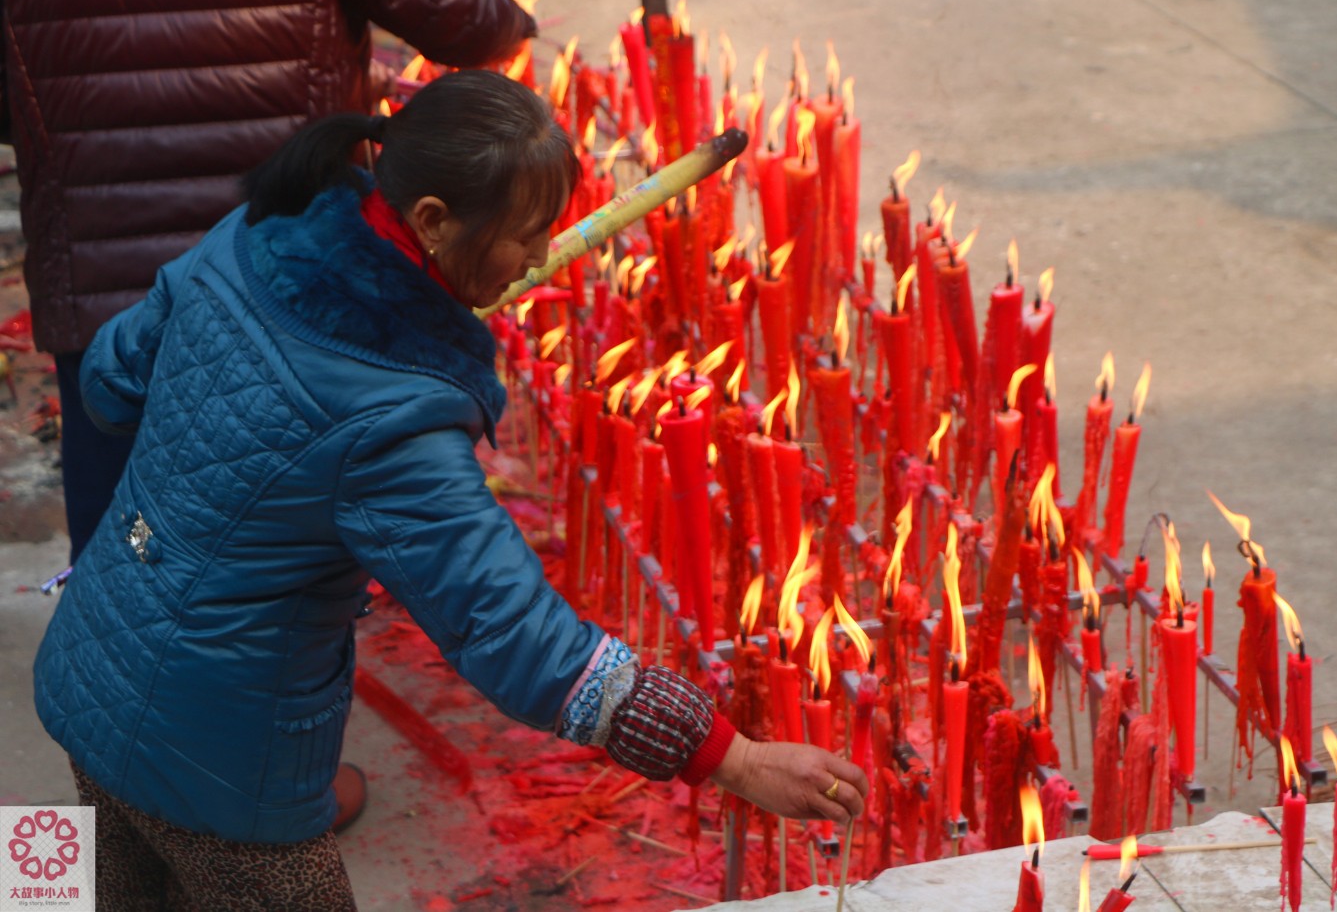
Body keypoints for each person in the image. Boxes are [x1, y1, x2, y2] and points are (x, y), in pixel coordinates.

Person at [32, 70, 867, 910]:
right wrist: (735, 759)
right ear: (430, 221)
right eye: (525, 236)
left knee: (106, 894)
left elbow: (109, 380)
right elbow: (515, 633)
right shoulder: (392, 418)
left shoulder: (261, 227)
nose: (542, 258)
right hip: (221, 756)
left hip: (90, 662)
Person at [0, 0, 535, 564]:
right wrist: (508, 17)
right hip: (293, 296)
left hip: (105, 306)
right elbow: (470, 21)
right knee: (287, 575)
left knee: (125, 557)